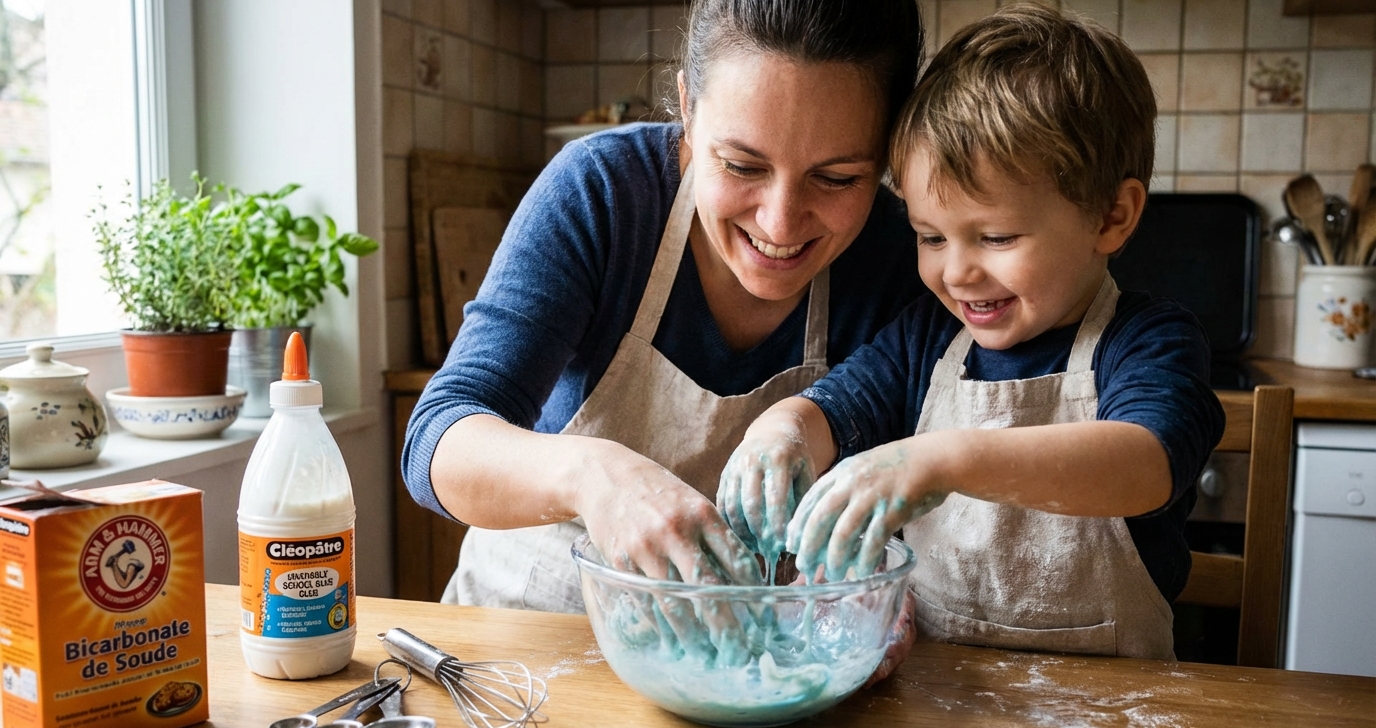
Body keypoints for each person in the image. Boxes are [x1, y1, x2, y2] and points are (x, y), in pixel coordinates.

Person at [718, 4, 1225, 662]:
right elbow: (834, 411)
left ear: (1112, 216)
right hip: (932, 703)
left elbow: (1145, 465)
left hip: (1110, 713)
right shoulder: (925, 339)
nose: (956, 271)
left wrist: (946, 459)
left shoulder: (1147, 341)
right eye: (930, 237)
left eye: (996, 237)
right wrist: (780, 432)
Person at [402, 0, 928, 617]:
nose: (780, 221)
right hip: (530, 640)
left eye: (837, 178)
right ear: (686, 107)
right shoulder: (603, 193)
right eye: (741, 165)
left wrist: (882, 606)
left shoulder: (907, 257)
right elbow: (437, 441)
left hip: (763, 665)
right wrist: (591, 478)